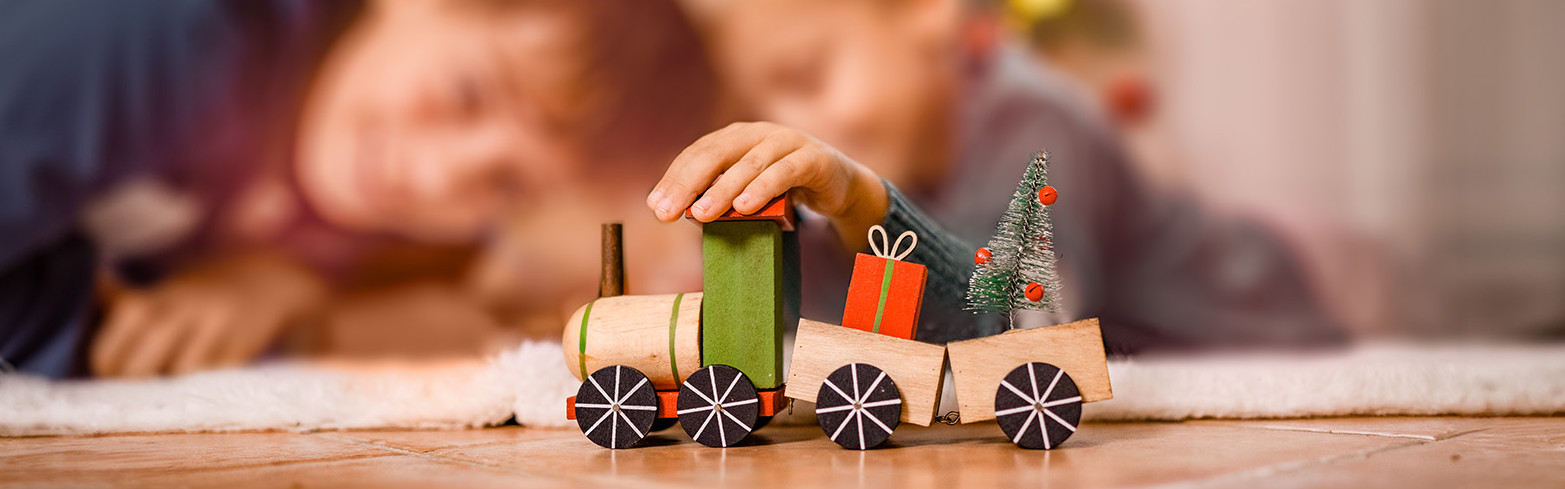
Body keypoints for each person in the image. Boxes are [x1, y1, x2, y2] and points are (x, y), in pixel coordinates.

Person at [0, 0, 716, 378]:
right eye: (466, 94)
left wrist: (283, 279)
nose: (437, 178)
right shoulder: (162, 32)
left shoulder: (378, 208)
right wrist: (300, 339)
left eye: (505, 184)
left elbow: (435, 268)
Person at [675, 0, 1347, 351]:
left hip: (1250, 325)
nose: (793, 121)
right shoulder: (910, 154)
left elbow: (1008, 314)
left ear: (924, 7)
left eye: (805, 76)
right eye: (762, 101)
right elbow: (835, 329)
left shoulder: (1039, 121)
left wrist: (858, 193)